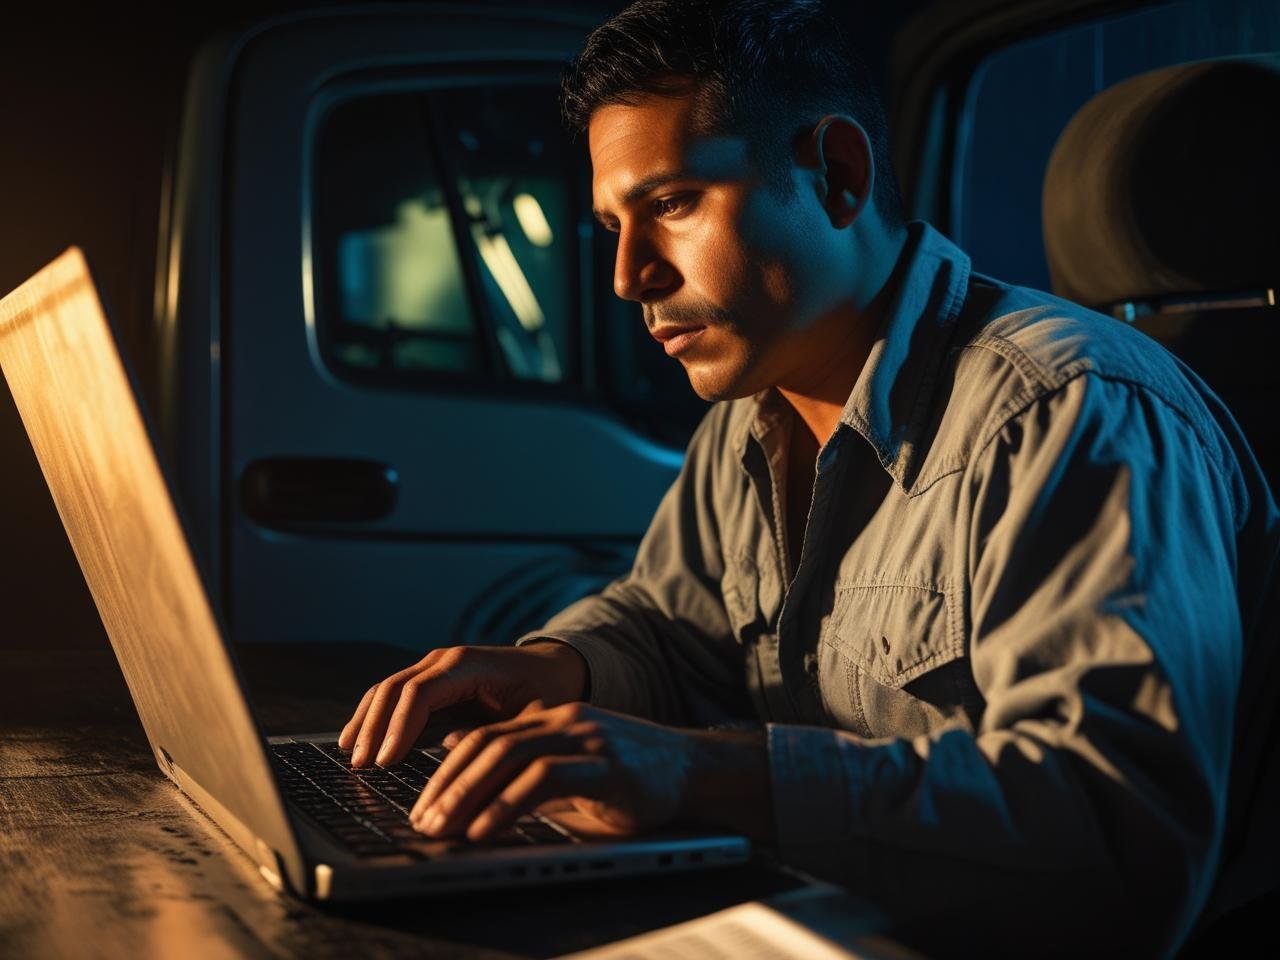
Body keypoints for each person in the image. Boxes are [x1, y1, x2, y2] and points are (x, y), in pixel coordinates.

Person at [338, 1, 1279, 954]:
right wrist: (553, 668)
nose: (627, 277)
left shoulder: (1067, 411)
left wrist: (702, 777)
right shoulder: (752, 412)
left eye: (670, 204)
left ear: (837, 174)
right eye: (611, 225)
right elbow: (673, 628)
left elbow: (1119, 836)